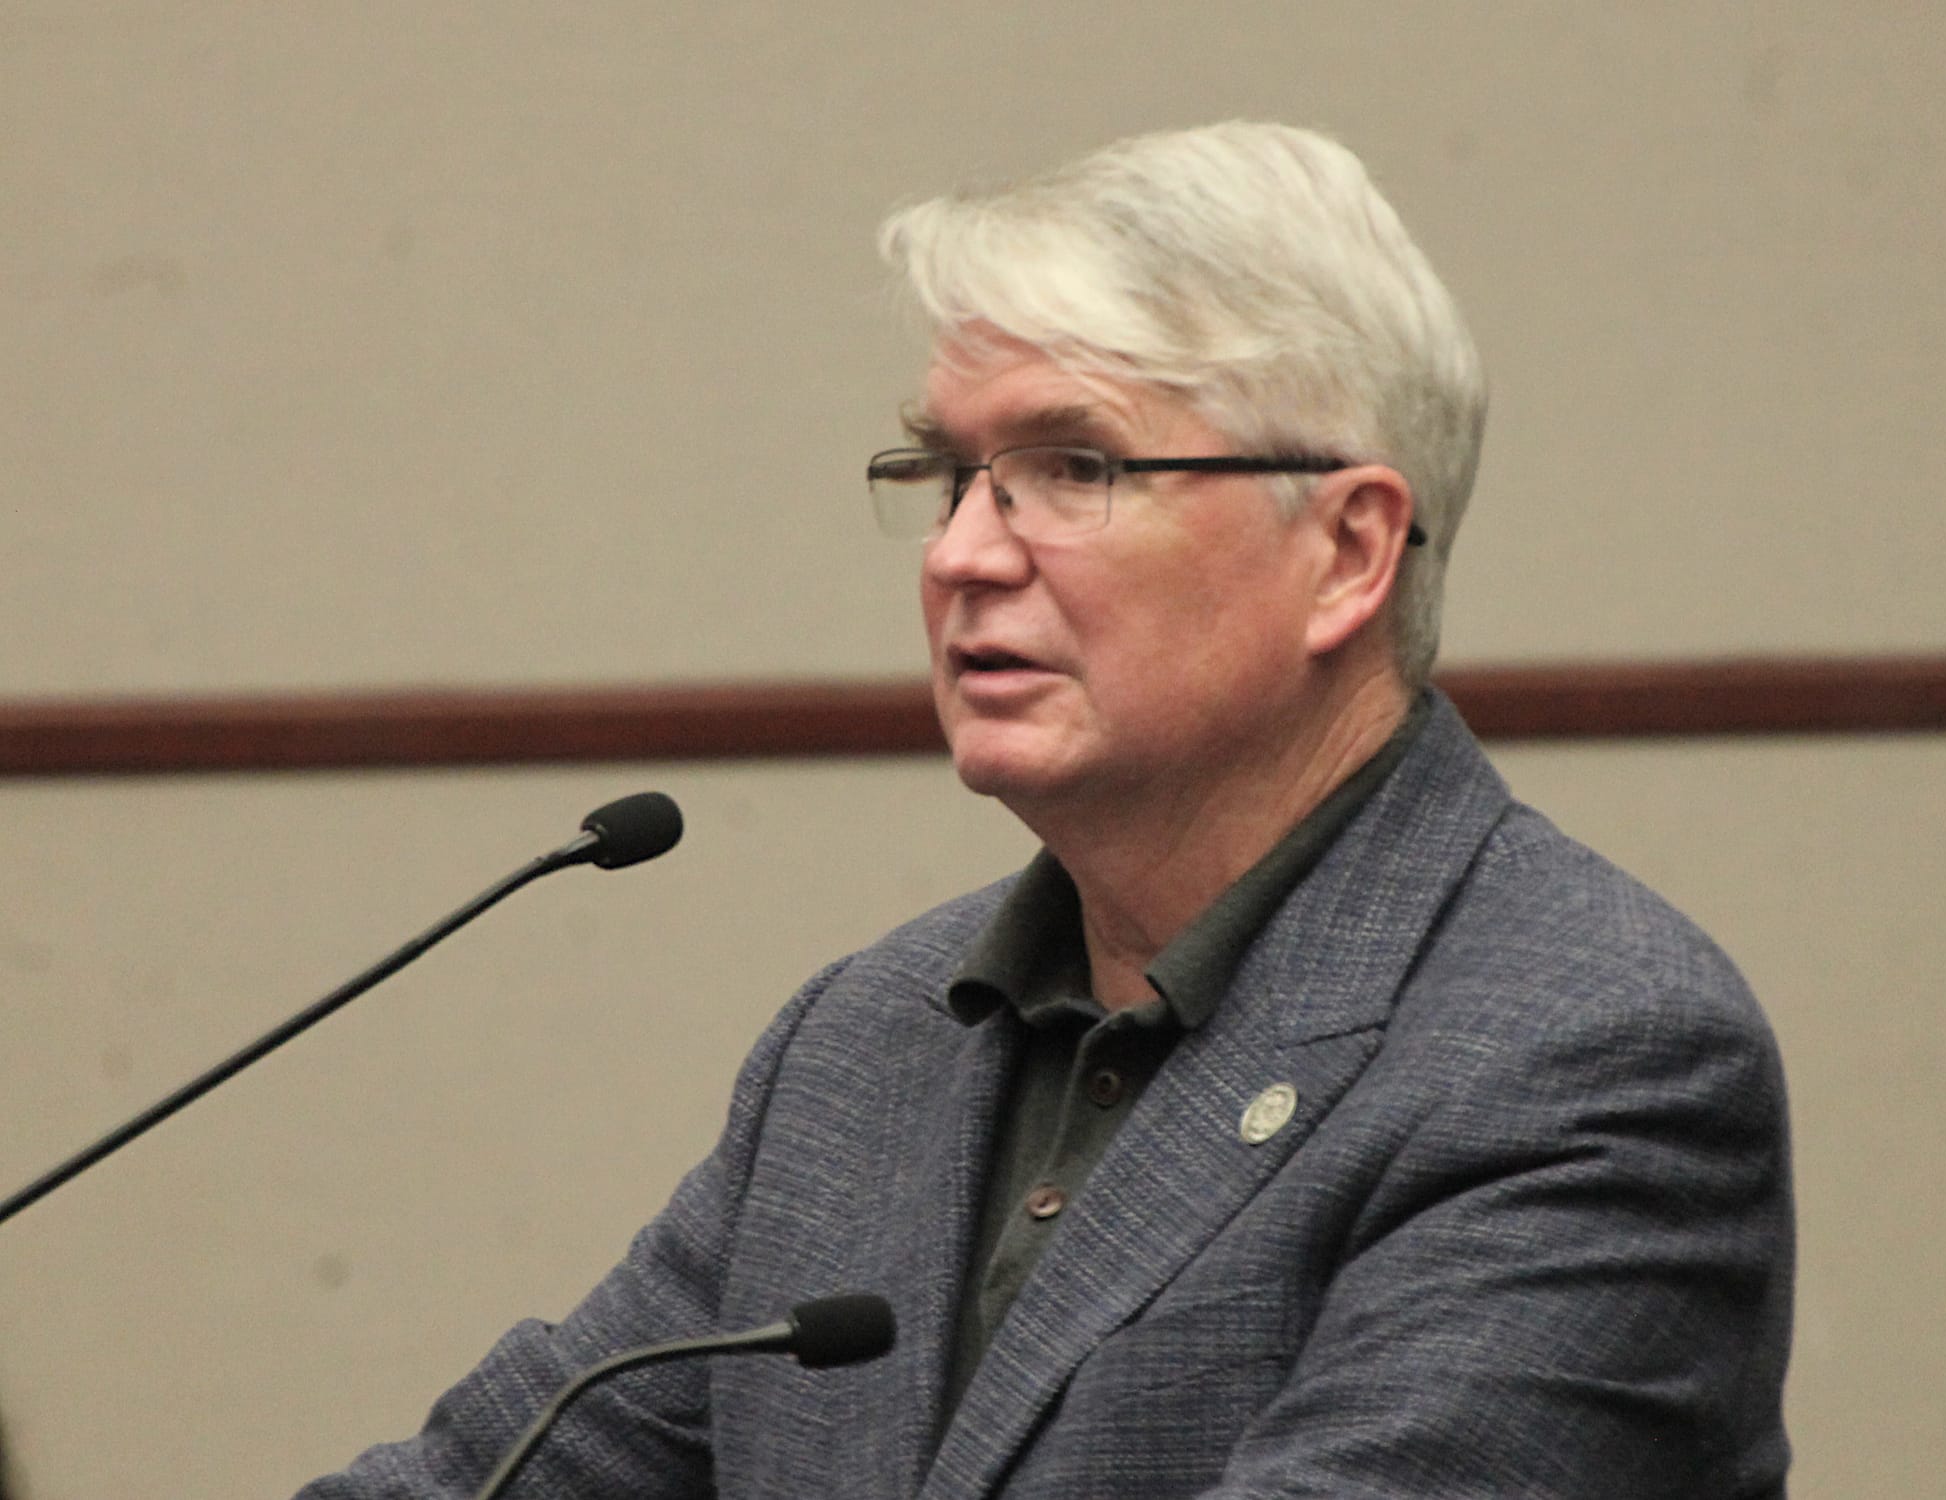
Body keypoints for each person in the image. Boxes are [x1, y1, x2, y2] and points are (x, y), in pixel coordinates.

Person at [300, 121, 1793, 1499]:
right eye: (947, 474)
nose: (960, 554)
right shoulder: (866, 1045)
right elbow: (506, 1472)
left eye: (1069, 467)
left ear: (1348, 550)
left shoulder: (1588, 1056)